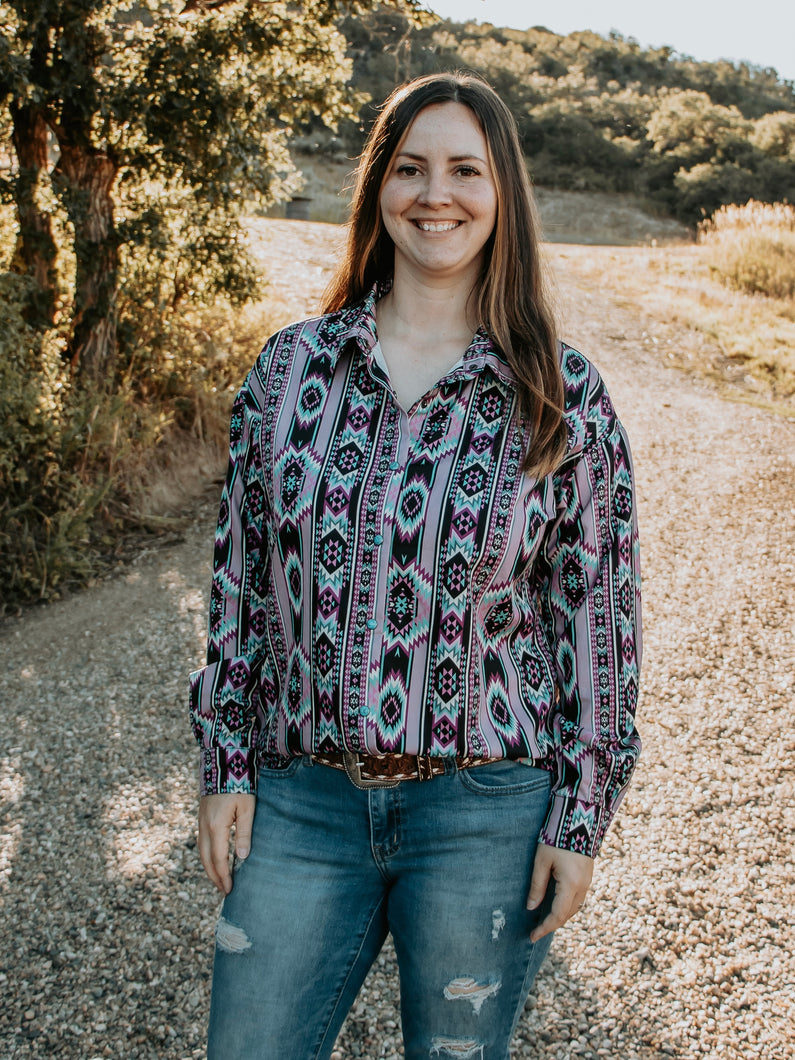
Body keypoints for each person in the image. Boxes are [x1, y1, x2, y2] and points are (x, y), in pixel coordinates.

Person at [189, 71, 642, 1060]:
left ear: (501, 194)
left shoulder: (560, 395)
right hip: (303, 798)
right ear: (378, 189)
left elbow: (595, 617)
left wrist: (582, 814)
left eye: (465, 170)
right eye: (411, 168)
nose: (437, 193)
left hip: (486, 810)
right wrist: (226, 759)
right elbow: (239, 582)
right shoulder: (289, 372)